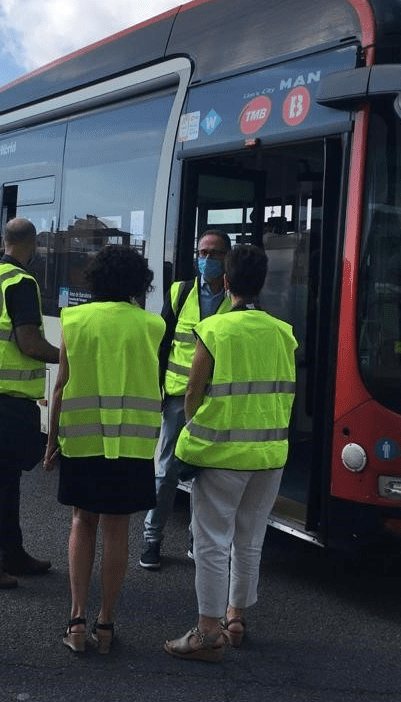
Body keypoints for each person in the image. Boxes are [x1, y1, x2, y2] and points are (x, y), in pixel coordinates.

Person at [164, 245, 297, 662]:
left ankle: (207, 634)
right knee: (250, 540)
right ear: (262, 284)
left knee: (212, 543)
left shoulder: (216, 329)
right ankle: (235, 619)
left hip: (221, 454)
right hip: (270, 454)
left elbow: (192, 390)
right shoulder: (283, 332)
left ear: (225, 283)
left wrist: (193, 427)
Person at [44, 246, 164, 654]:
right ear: (137, 283)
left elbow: (61, 385)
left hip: (82, 438)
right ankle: (106, 623)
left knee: (82, 522)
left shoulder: (74, 320)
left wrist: (51, 441)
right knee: (117, 527)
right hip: (132, 442)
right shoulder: (152, 326)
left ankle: (76, 622)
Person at [0, 218, 59, 589]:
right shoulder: (21, 281)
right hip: (10, 394)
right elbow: (29, 342)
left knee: (6, 477)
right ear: (32, 244)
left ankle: (12, 553)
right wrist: (67, 357)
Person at [140, 230, 231, 570]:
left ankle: (197, 540)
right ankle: (152, 541)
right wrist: (157, 391)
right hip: (177, 398)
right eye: (202, 252)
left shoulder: (236, 298)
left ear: (227, 258)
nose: (206, 259)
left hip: (215, 401)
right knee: (165, 473)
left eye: (215, 253)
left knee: (206, 475)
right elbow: (162, 345)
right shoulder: (180, 293)